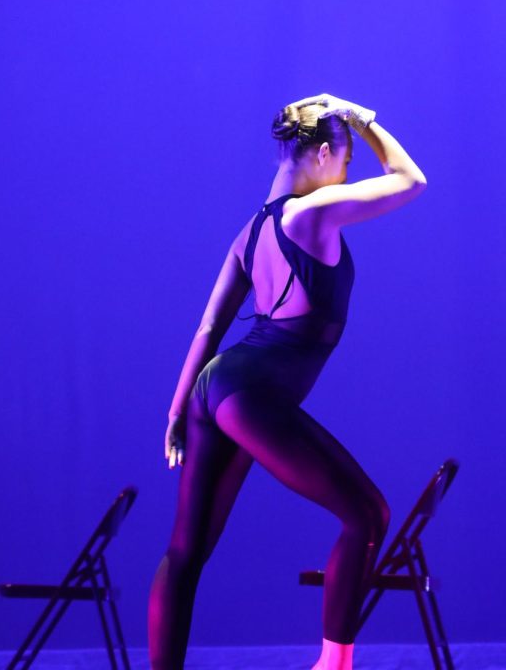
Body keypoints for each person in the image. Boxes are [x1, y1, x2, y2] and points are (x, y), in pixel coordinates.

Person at [148, 94, 426, 670]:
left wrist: (176, 412)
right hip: (249, 394)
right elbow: (410, 179)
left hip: (216, 389)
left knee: (185, 553)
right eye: (346, 164)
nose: (347, 178)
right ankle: (334, 664)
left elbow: (207, 329)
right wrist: (363, 117)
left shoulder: (248, 234)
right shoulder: (312, 214)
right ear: (323, 154)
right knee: (368, 514)